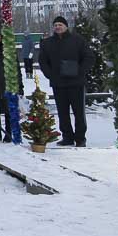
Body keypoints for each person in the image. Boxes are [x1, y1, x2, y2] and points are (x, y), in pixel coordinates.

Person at [37, 16, 95, 146]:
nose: (58, 27)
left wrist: (80, 71)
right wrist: (50, 74)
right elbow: (43, 61)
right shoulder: (48, 43)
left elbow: (89, 57)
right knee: (62, 112)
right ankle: (67, 137)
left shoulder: (78, 40)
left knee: (79, 112)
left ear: (66, 26)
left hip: (76, 83)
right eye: (56, 25)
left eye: (60, 25)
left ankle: (80, 138)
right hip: (58, 83)